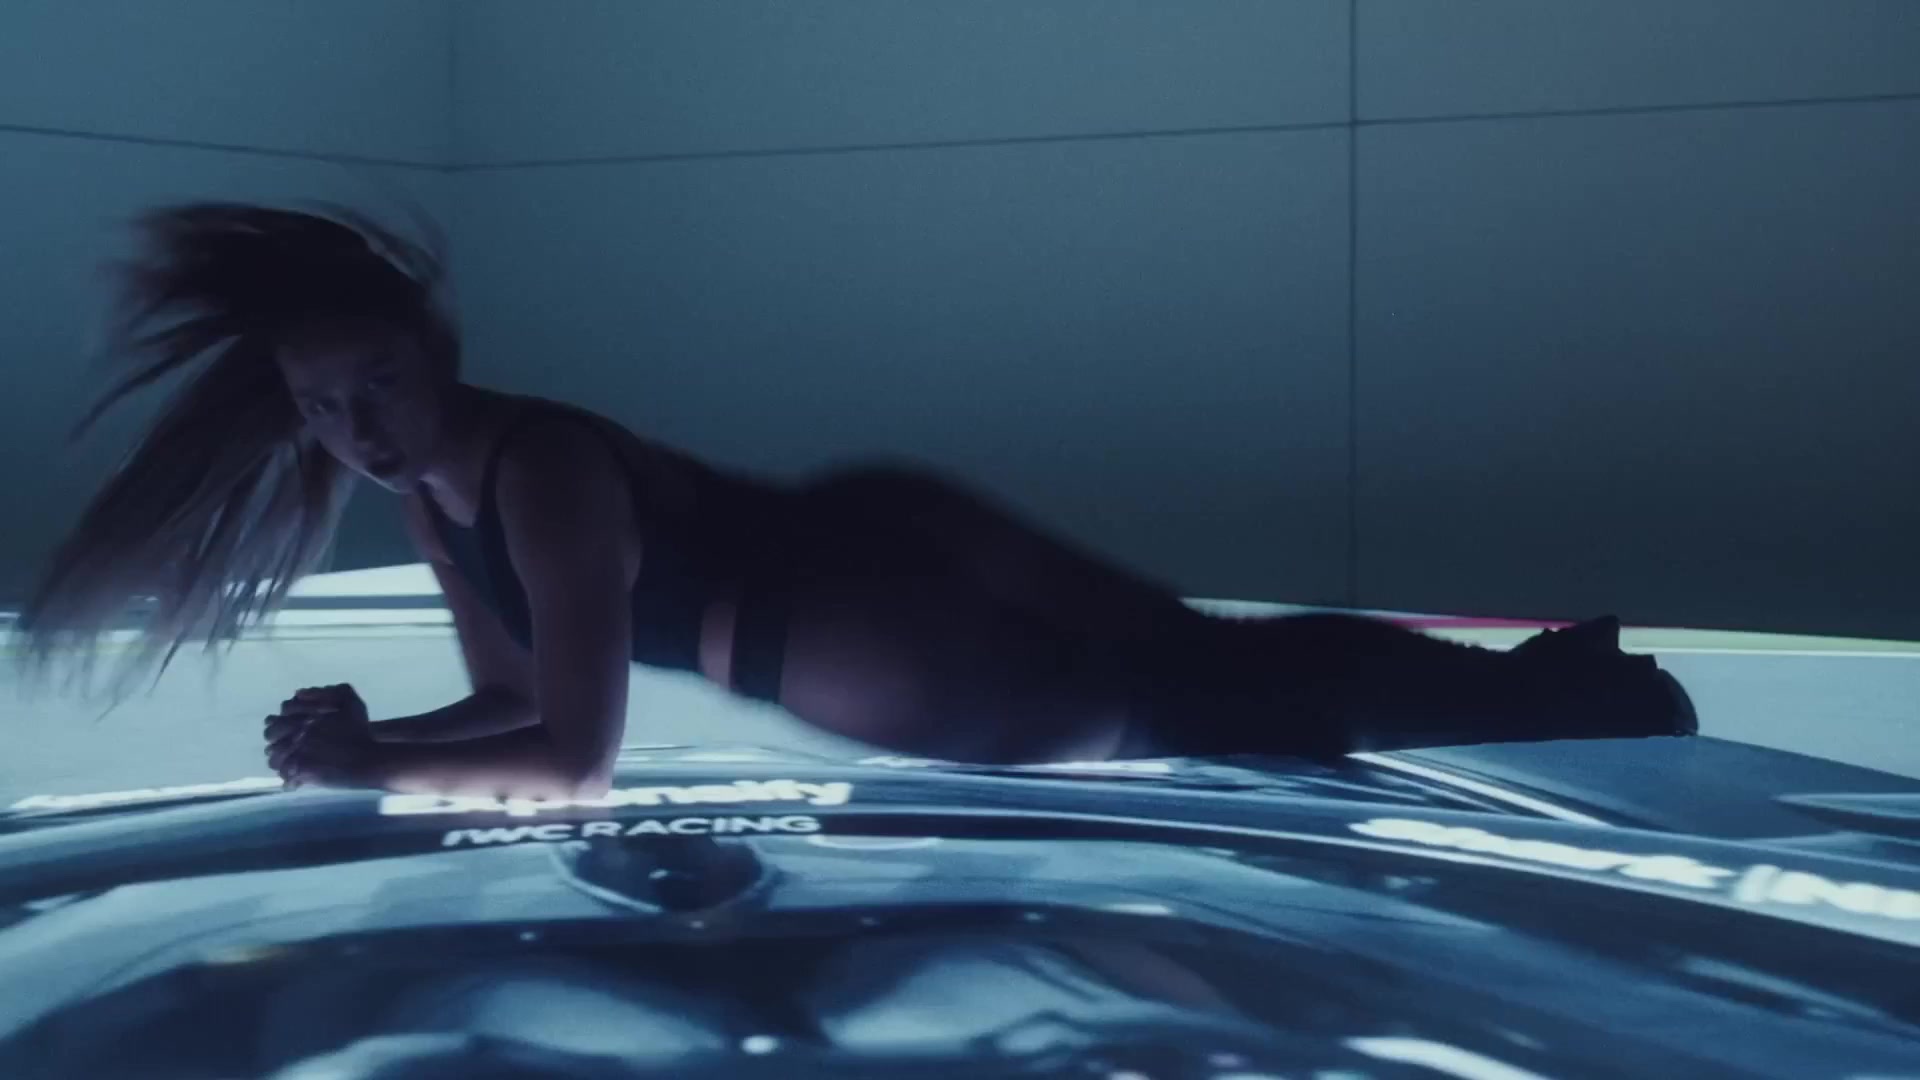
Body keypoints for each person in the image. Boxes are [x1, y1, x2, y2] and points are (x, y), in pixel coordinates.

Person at [17, 202, 1695, 800]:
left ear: (434, 347)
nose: (355, 428)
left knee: (1209, 694)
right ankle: (1565, 689)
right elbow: (518, 696)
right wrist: (374, 737)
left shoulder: (543, 473)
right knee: (1212, 670)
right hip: (869, 569)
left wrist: (373, 763)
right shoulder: (446, 495)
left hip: (875, 621)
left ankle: (1583, 702)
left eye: (375, 383)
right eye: (322, 405)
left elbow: (574, 757)